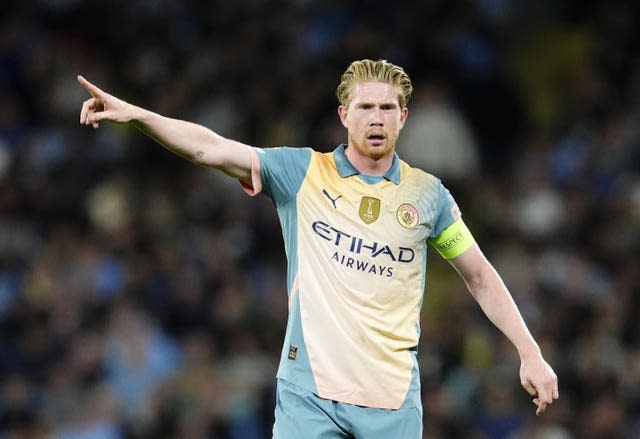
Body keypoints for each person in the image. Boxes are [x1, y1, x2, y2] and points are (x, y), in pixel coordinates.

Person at [78, 59, 558, 439]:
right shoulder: (302, 173)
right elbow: (210, 148)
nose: (376, 118)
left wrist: (529, 352)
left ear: (403, 117)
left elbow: (479, 275)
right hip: (308, 393)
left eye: (387, 109)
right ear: (344, 115)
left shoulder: (428, 197)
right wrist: (138, 116)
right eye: (365, 107)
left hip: (390, 399)